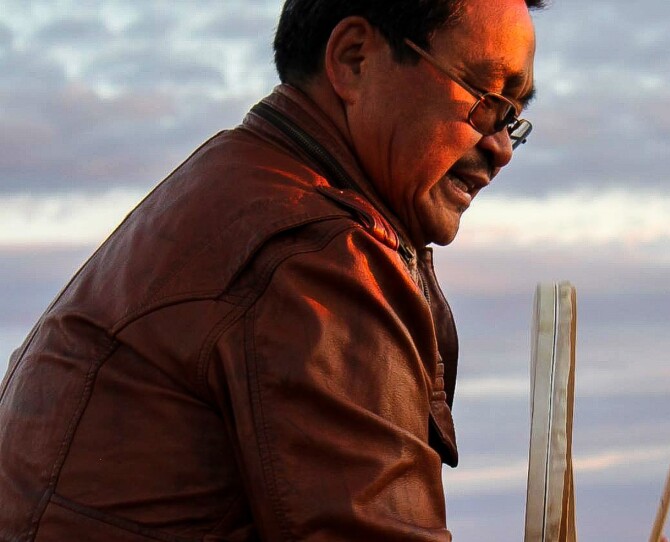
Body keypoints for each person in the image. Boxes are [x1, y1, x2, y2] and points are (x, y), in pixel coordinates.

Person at [0, 0, 544, 540]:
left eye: (513, 121)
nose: (501, 149)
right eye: (487, 100)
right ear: (354, 59)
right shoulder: (316, 258)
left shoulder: (230, 190)